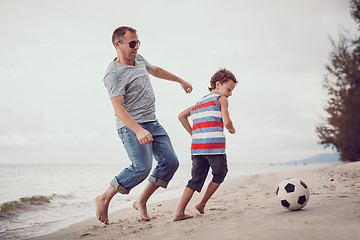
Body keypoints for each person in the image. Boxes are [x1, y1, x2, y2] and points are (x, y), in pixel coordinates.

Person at [95, 26, 193, 225]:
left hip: (152, 122)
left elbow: (155, 70)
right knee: (141, 168)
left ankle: (141, 201)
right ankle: (104, 197)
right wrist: (138, 130)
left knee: (171, 162)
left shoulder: (138, 59)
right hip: (131, 127)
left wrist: (180, 80)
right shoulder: (113, 74)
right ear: (117, 44)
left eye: (138, 42)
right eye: (132, 43)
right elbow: (118, 108)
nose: (136, 47)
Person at [173, 68, 237, 221]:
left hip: (197, 148)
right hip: (214, 147)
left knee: (195, 180)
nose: (230, 94)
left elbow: (181, 116)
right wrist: (231, 129)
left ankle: (179, 212)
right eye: (228, 89)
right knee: (220, 174)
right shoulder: (221, 99)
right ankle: (201, 203)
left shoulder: (199, 103)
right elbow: (227, 122)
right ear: (218, 84)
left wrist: (193, 134)